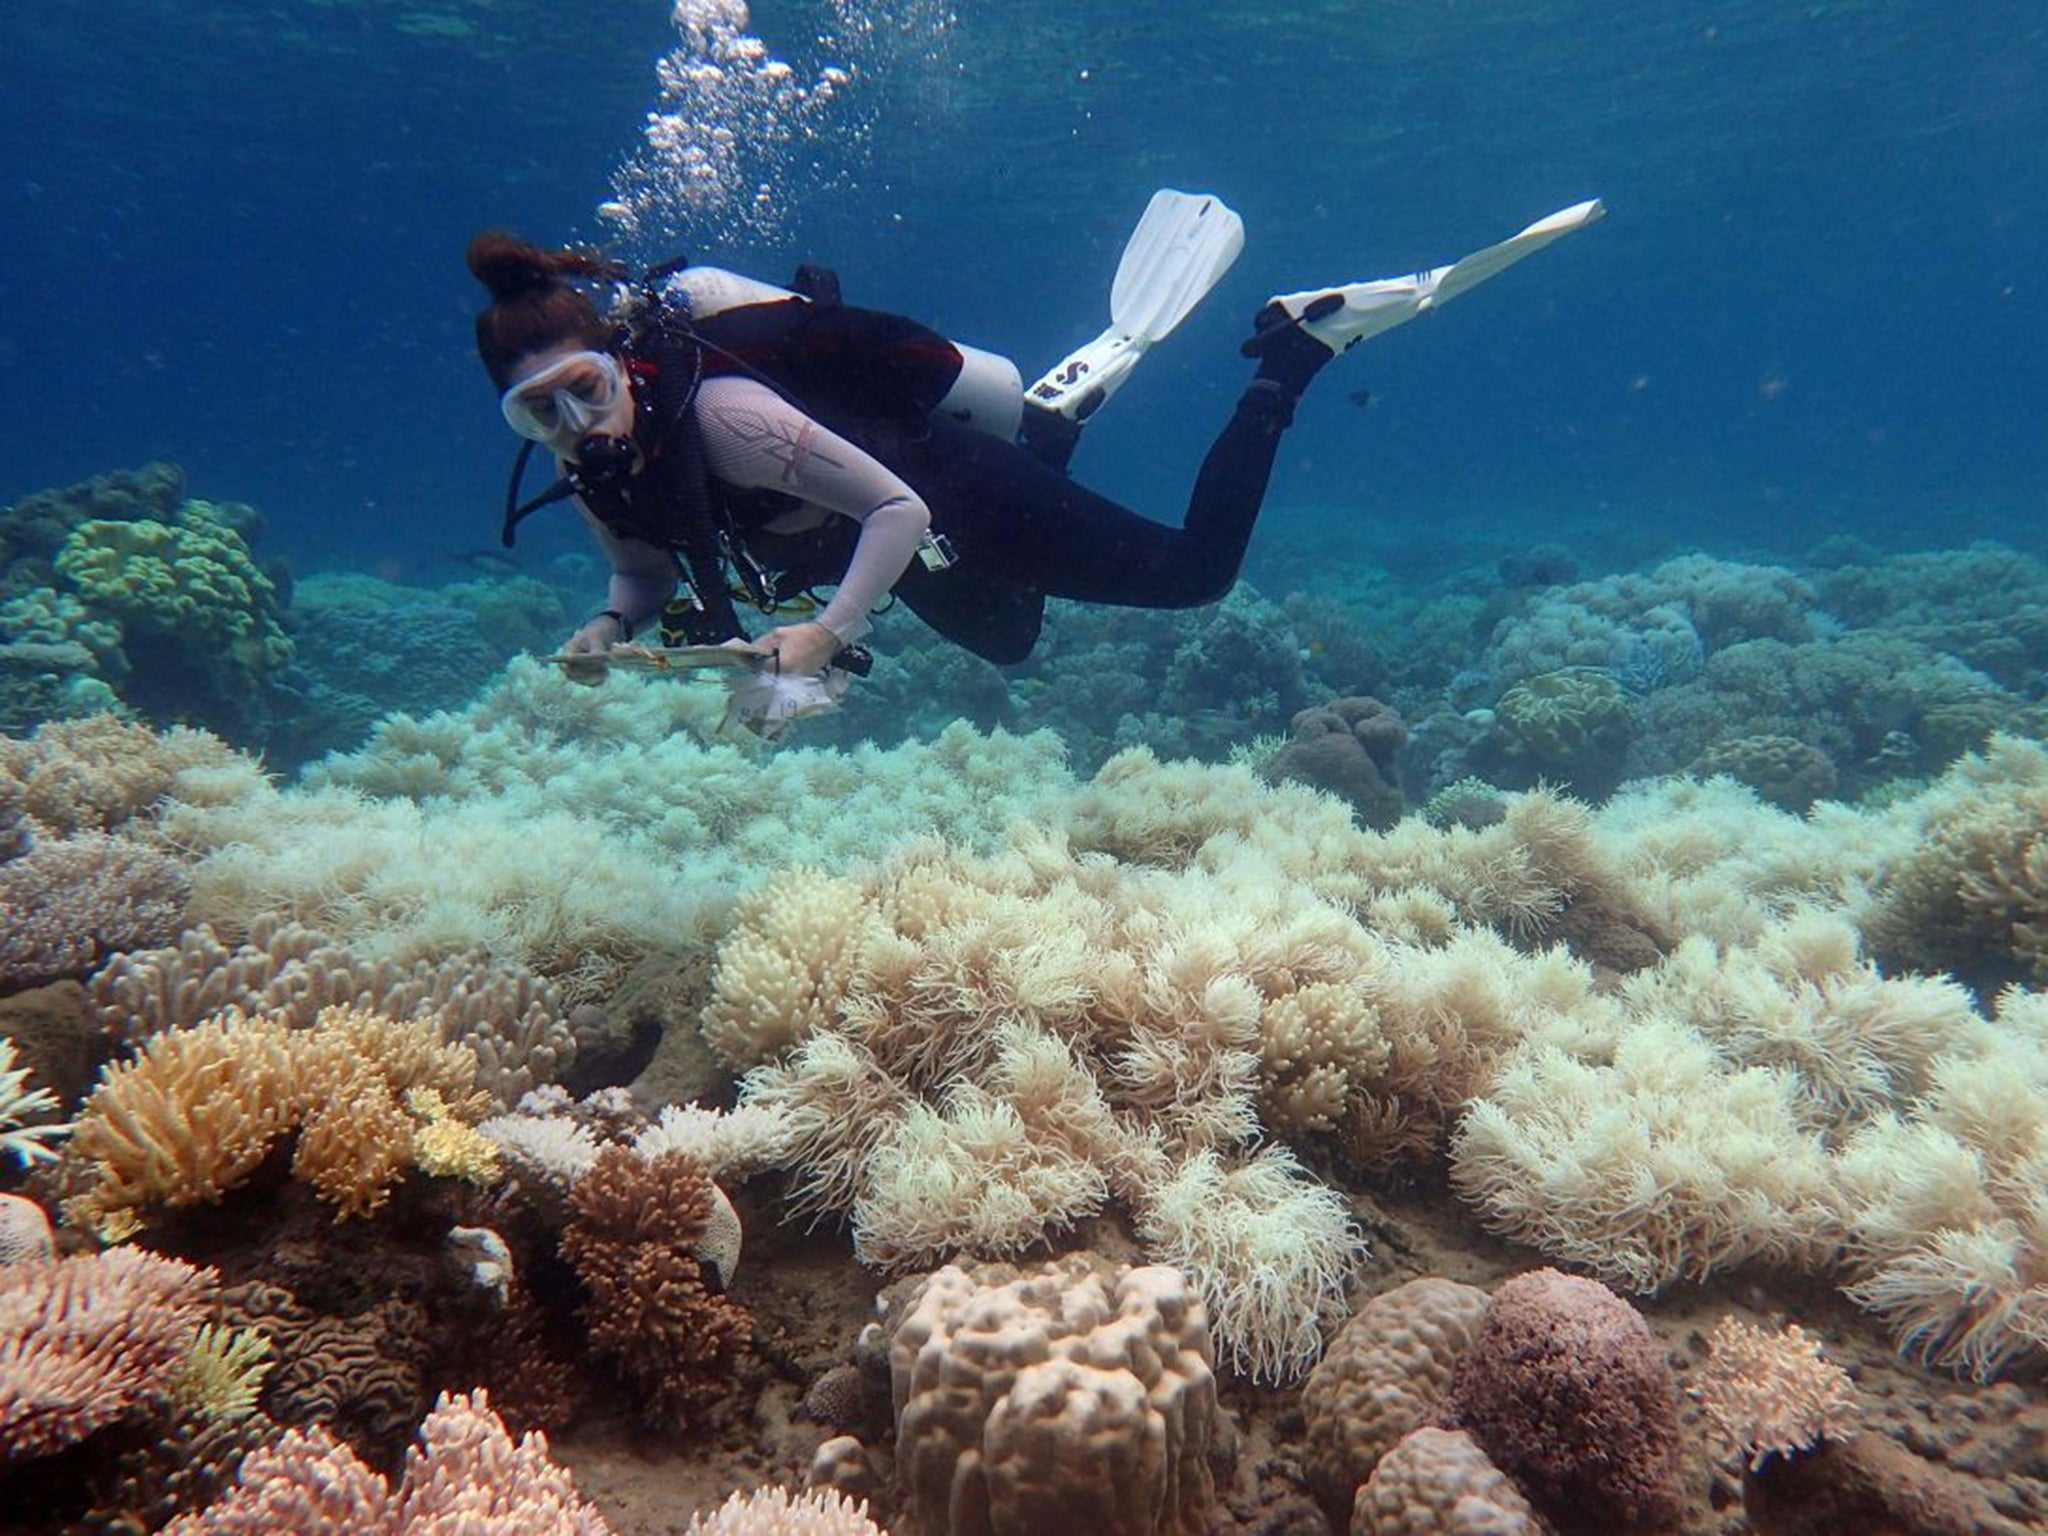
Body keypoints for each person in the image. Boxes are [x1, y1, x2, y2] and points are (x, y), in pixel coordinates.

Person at [466, 195, 1602, 720]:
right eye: (539, 417)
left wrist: (824, 633)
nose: (576, 428)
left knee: (1193, 576)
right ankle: (1051, 423)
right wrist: (609, 627)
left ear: (622, 362)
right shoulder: (596, 473)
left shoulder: (723, 423)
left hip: (930, 491)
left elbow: (898, 514)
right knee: (1009, 641)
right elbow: (642, 572)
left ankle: (1292, 352)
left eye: (585, 392)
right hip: (877, 535)